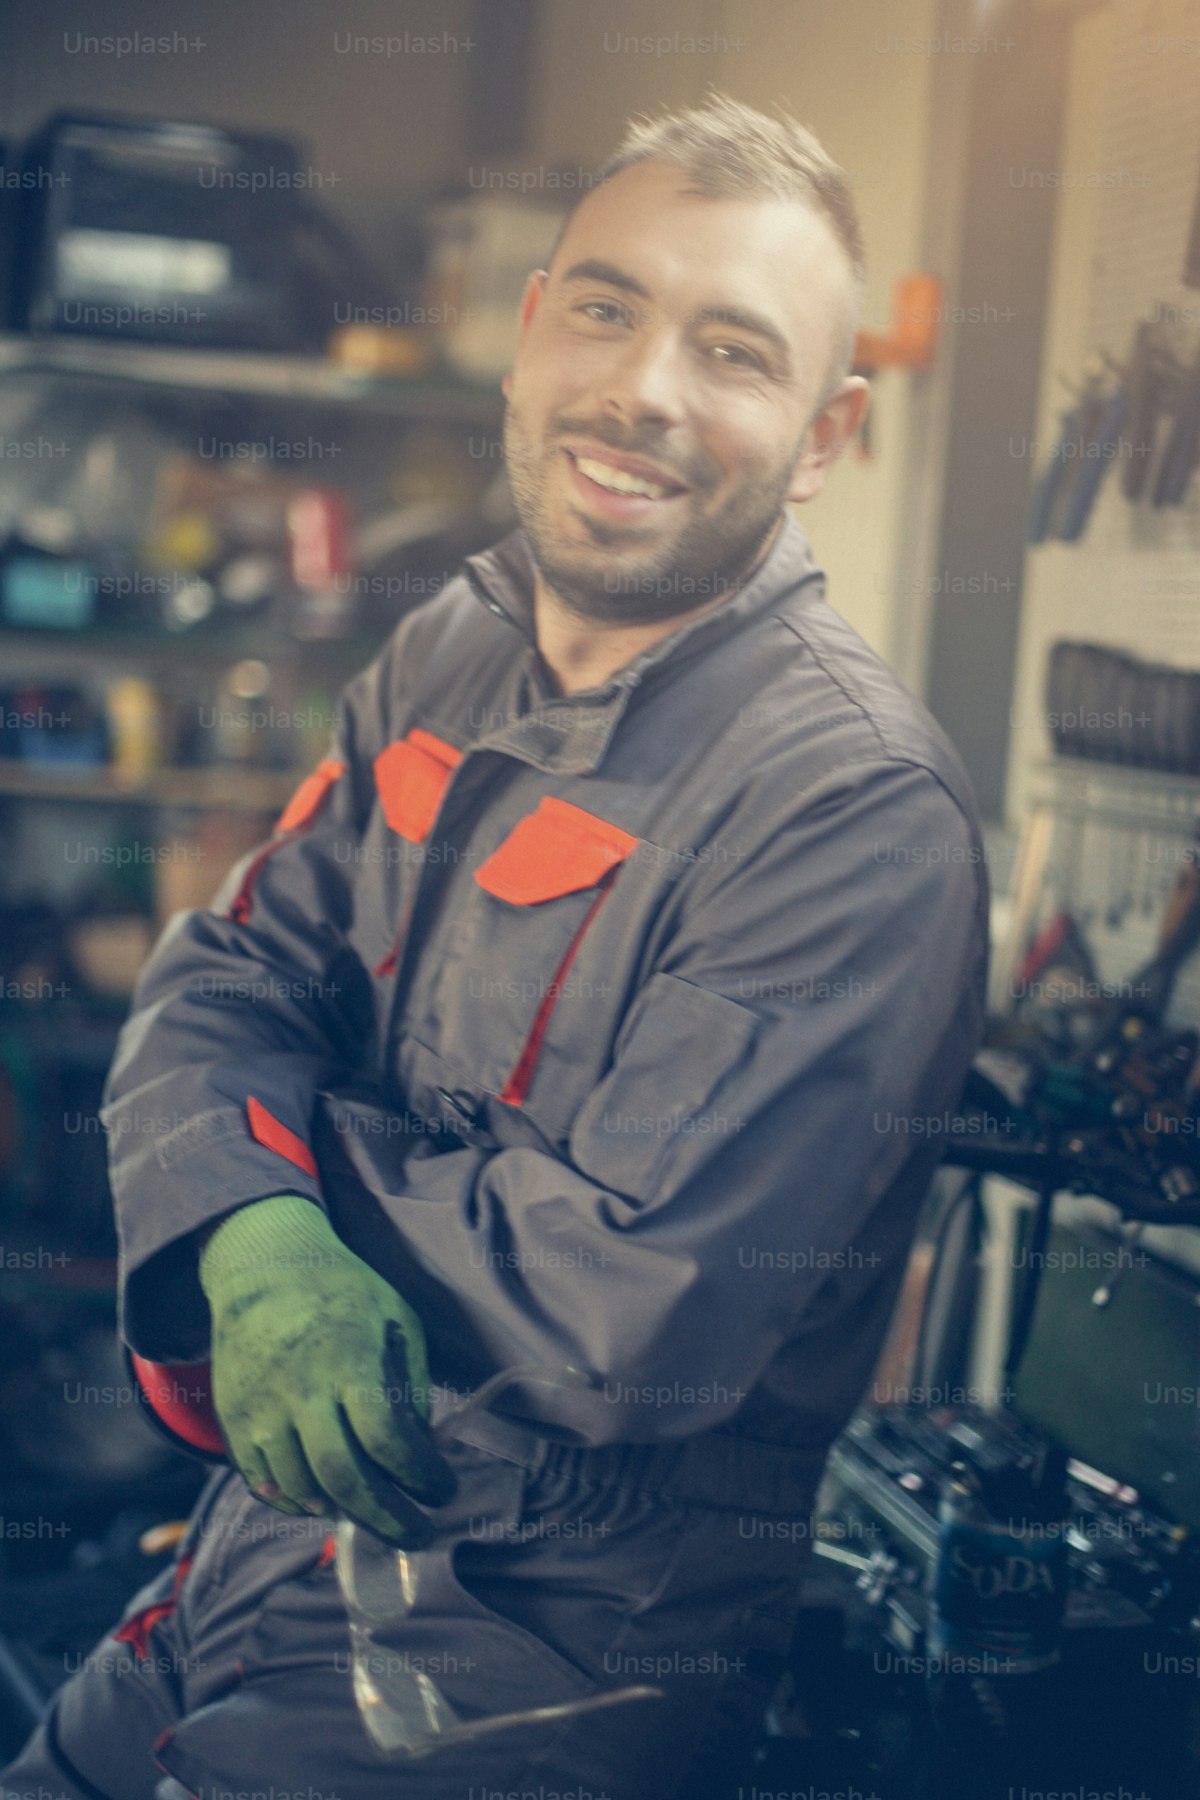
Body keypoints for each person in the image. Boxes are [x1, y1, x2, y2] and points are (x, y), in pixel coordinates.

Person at [2, 93, 988, 1799]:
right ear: (532, 335)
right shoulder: (449, 649)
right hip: (256, 1551)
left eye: (734, 352)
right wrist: (252, 1246)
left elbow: (629, 1307)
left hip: (546, 1657)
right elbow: (220, 979)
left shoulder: (852, 814)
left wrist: (274, 1183)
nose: (645, 390)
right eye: (607, 307)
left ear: (823, 436)